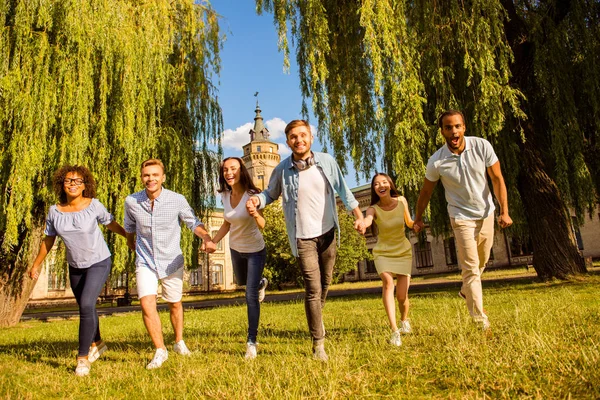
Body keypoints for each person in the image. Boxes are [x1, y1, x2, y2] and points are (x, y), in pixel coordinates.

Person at [246, 120, 366, 361]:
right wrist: (257, 201)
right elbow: (270, 193)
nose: (298, 140)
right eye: (293, 137)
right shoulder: (282, 169)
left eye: (303, 135)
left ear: (310, 137)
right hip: (302, 237)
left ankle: (315, 320)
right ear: (288, 141)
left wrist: (359, 216)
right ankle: (318, 343)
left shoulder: (327, 161)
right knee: (313, 288)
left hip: (329, 232)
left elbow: (344, 190)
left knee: (326, 283)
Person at [414, 110, 512, 330]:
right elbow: (426, 193)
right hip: (460, 216)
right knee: (470, 267)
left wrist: (504, 211)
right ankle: (479, 319)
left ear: (464, 127)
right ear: (442, 132)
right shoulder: (436, 161)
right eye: (448, 128)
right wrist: (418, 218)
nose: (453, 131)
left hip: (486, 212)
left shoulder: (482, 146)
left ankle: (465, 290)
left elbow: (497, 179)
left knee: (482, 260)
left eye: (457, 126)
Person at [29, 165, 128, 377]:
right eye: (68, 180)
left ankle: (82, 358)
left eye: (77, 181)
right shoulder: (54, 211)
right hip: (75, 266)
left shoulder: (94, 206)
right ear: (61, 184)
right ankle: (99, 343)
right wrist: (35, 265)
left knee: (86, 304)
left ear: (85, 185)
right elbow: (48, 240)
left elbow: (110, 223)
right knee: (87, 306)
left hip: (98, 261)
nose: (73, 184)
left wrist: (127, 237)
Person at [124, 158, 216, 369]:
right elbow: (129, 228)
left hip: (171, 261)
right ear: (141, 177)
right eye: (147, 175)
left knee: (174, 303)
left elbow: (193, 222)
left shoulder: (176, 199)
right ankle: (160, 350)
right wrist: (133, 247)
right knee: (147, 304)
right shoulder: (131, 201)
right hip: (145, 261)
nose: (151, 179)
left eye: (155, 175)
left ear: (163, 177)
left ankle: (178, 342)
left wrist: (206, 238)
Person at [211, 157, 269, 360]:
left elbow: (262, 224)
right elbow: (227, 223)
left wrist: (254, 213)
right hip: (235, 249)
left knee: (250, 296)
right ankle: (261, 282)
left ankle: (251, 341)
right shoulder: (225, 195)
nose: (229, 172)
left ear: (241, 170)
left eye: (233, 168)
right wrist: (213, 241)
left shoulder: (253, 195)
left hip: (255, 250)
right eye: (225, 169)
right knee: (244, 283)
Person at [363, 173, 414, 346]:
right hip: (383, 252)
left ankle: (404, 320)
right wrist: (363, 223)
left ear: (390, 185)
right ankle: (394, 331)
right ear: (374, 189)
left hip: (403, 251)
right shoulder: (373, 208)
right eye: (377, 184)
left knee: (401, 296)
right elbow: (368, 219)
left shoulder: (402, 201)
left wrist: (416, 225)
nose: (381, 185)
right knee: (387, 283)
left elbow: (409, 222)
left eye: (384, 182)